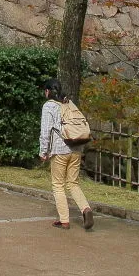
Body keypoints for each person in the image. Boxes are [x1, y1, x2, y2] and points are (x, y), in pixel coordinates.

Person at [39, 78, 93, 230]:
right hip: (76, 147)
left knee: (58, 184)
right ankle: (85, 209)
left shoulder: (49, 106)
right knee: (73, 183)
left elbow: (46, 131)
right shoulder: (69, 102)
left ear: (48, 91)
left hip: (60, 149)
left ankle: (64, 220)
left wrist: (43, 152)